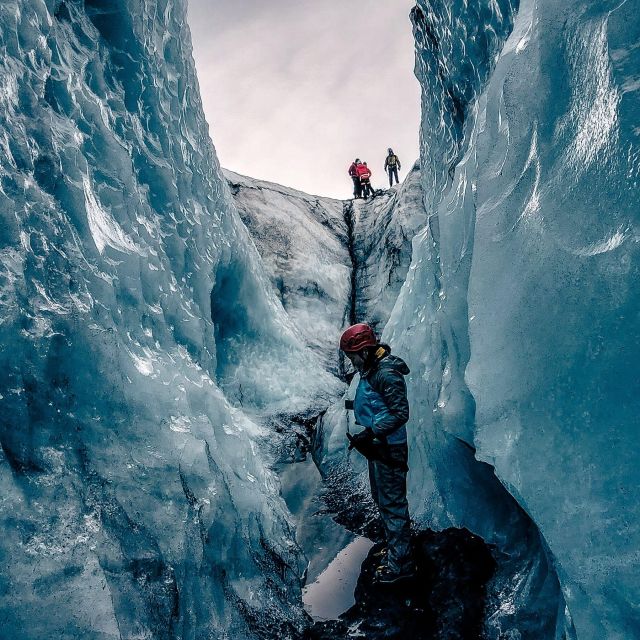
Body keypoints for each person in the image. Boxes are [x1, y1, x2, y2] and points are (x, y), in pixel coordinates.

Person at [340, 323, 414, 583]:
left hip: (388, 447)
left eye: (352, 357)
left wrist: (372, 432)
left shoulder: (387, 373)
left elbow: (400, 413)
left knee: (392, 503)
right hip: (378, 445)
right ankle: (397, 548)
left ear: (365, 351)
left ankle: (401, 565)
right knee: (381, 498)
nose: (351, 363)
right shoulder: (372, 369)